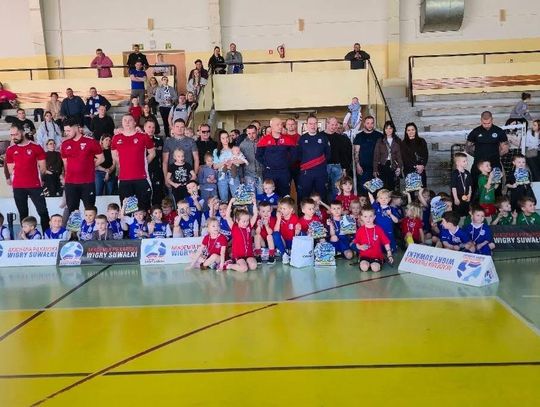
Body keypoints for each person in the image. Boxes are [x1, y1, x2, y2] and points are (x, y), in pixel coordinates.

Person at [5, 125, 50, 232]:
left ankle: (47, 235)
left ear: (23, 132)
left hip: (35, 185)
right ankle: (26, 236)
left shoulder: (36, 147)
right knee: (23, 213)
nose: (13, 137)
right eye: (11, 135)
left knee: (43, 212)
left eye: (16, 134)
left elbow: (43, 168)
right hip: (18, 186)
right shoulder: (10, 150)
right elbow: (11, 170)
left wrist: (40, 179)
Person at [111, 114, 156, 211]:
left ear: (135, 123)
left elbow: (152, 153)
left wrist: (144, 162)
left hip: (142, 178)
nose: (127, 122)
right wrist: (124, 163)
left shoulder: (143, 136)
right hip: (124, 179)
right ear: (122, 123)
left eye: (130, 120)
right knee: (128, 210)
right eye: (125, 120)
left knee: (144, 209)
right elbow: (114, 155)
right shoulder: (116, 138)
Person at [61, 119, 104, 214]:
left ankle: (89, 224)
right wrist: (65, 177)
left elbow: (101, 158)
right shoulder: (65, 144)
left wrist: (89, 166)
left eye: (68, 130)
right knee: (72, 212)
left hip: (87, 182)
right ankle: (74, 225)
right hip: (71, 183)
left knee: (90, 210)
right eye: (65, 131)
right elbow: (65, 163)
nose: (66, 133)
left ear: (76, 128)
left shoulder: (91, 142)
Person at [466, 111, 507, 192]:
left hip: (494, 164)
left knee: (496, 188)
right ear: (481, 120)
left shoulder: (499, 131)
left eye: (489, 123)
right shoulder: (475, 131)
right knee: (476, 187)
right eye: (484, 123)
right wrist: (478, 156)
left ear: (492, 120)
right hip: (479, 165)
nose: (487, 125)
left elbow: (505, 149)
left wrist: (495, 156)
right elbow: (467, 148)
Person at [256, 118, 296, 198]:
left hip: (284, 172)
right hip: (270, 172)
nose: (280, 126)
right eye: (277, 125)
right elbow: (258, 155)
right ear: (271, 126)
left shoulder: (288, 139)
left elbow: (294, 155)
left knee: (285, 195)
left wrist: (286, 164)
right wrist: (267, 164)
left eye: (281, 124)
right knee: (269, 195)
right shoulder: (264, 139)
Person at [297, 115, 331, 201]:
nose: (313, 126)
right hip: (306, 173)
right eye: (311, 123)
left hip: (320, 172)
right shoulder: (302, 138)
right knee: (305, 196)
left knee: (322, 195)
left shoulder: (323, 137)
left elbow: (328, 154)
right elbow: (299, 155)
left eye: (315, 123)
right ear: (307, 125)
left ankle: (321, 210)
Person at [223, 196, 258, 272]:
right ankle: (229, 265)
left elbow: (255, 215)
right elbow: (227, 216)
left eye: (247, 220)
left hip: (248, 254)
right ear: (237, 220)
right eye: (243, 221)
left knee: (253, 266)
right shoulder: (234, 227)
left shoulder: (249, 226)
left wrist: (254, 203)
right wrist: (230, 203)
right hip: (238, 255)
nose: (246, 223)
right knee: (244, 269)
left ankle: (245, 263)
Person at [354, 208, 392, 272]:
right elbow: (357, 243)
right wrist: (360, 247)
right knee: (364, 267)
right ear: (362, 218)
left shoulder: (378, 229)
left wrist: (389, 254)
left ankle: (379, 261)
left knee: (375, 268)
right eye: (365, 216)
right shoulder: (360, 230)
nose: (368, 219)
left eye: (370, 216)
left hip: (376, 256)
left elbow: (386, 242)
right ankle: (367, 264)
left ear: (374, 217)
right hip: (364, 256)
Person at [162, 119, 199, 184]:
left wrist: (194, 175)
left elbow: (196, 159)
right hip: (172, 177)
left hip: (188, 176)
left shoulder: (191, 141)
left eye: (182, 127)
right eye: (177, 126)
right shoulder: (168, 142)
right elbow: (165, 162)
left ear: (184, 128)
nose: (179, 129)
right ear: (173, 128)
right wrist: (166, 178)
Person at [324, 117, 353, 200]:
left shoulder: (342, 138)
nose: (334, 127)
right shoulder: (320, 136)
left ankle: (335, 207)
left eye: (336, 125)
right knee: (323, 189)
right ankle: (325, 207)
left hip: (337, 167)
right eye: (332, 124)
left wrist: (344, 168)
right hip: (323, 167)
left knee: (337, 190)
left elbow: (345, 155)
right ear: (327, 124)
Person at [354, 116, 382, 192]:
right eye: (368, 123)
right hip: (363, 168)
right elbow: (356, 152)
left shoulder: (379, 135)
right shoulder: (359, 136)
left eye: (372, 123)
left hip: (376, 168)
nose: (370, 125)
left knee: (376, 191)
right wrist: (357, 165)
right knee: (363, 190)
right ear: (364, 124)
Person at [373, 121, 402, 191]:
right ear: (384, 130)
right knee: (383, 188)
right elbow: (376, 156)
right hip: (382, 166)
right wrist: (375, 169)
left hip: (393, 166)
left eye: (390, 128)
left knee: (392, 187)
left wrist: (399, 167)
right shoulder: (380, 141)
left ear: (393, 129)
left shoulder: (397, 140)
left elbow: (399, 156)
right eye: (386, 128)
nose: (388, 130)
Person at [401, 122, 429, 188]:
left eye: (412, 129)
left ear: (415, 130)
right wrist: (416, 166)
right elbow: (405, 158)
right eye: (409, 130)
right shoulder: (403, 143)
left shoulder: (422, 141)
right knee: (411, 191)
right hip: (409, 170)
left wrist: (422, 166)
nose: (411, 132)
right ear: (406, 132)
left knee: (423, 190)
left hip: (421, 169)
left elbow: (426, 154)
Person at [212, 130, 238, 201]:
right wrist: (224, 162)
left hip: (233, 173)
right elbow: (215, 166)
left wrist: (232, 162)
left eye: (227, 137)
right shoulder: (216, 151)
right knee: (223, 198)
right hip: (222, 174)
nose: (226, 140)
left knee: (237, 197)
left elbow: (241, 160)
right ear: (220, 140)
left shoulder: (234, 148)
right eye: (223, 138)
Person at [143, 120, 165, 205]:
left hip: (156, 170)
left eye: (153, 127)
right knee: (145, 193)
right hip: (143, 170)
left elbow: (162, 156)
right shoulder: (140, 139)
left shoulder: (159, 140)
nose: (151, 129)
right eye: (149, 127)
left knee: (157, 193)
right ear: (144, 127)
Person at [239, 124, 263, 194]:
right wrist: (241, 176)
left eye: (253, 133)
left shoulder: (262, 141)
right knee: (251, 196)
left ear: (257, 132)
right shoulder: (243, 145)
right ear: (246, 133)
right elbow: (240, 161)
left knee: (261, 196)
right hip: (248, 174)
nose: (251, 135)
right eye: (249, 133)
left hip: (261, 174)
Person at [450, 152, 472, 218]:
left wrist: (469, 195)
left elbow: (470, 185)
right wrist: (455, 198)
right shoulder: (455, 173)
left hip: (466, 196)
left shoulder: (467, 173)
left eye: (466, 161)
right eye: (464, 161)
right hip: (458, 197)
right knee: (457, 213)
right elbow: (453, 187)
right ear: (457, 163)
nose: (466, 162)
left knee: (466, 212)